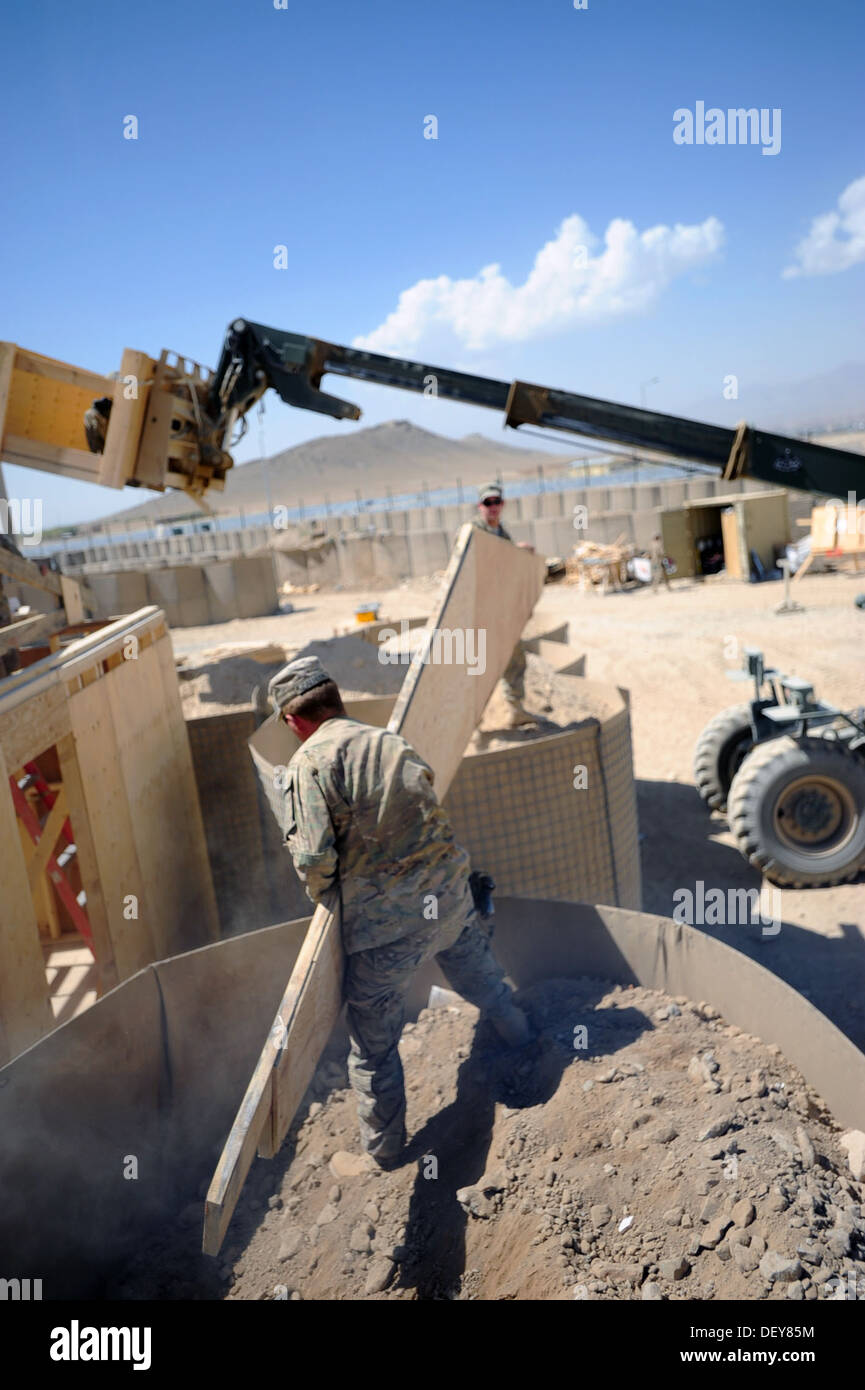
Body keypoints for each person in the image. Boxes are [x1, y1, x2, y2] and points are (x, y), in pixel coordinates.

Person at [268, 655, 533, 1168]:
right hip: (451, 902)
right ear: (337, 702)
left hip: (386, 933)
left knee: (373, 1047)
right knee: (487, 985)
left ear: (293, 720)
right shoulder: (391, 742)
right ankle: (522, 1038)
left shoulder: (309, 764)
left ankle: (386, 1153)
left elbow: (313, 858)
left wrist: (326, 894)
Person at [471, 482, 535, 727]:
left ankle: (516, 710)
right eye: (488, 503)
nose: (493, 507)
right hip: (482, 611)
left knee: (515, 660)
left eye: (496, 502)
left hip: (503, 611)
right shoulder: (473, 531)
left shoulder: (500, 532)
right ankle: (472, 721)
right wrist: (511, 552)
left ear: (503, 504)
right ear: (480, 506)